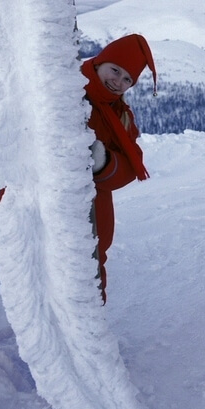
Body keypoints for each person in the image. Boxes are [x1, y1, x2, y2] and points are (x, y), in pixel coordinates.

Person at [82, 33, 157, 302]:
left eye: (127, 79)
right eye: (115, 70)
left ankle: (89, 326)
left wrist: (102, 162)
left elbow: (131, 163)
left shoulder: (120, 114)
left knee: (88, 277)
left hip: (94, 211)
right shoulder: (63, 93)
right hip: (41, 204)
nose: (118, 82)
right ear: (99, 62)